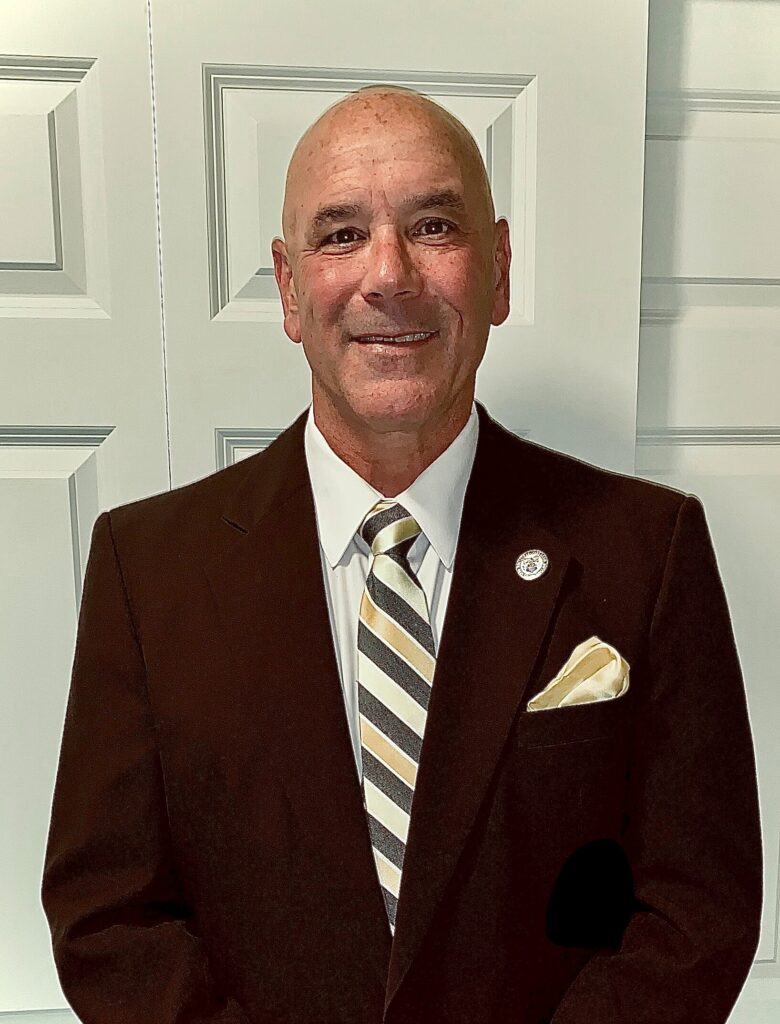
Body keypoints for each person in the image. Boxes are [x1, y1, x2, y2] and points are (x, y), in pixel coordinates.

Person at [41, 84, 762, 1024]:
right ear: (289, 288)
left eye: (433, 226)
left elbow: (697, 908)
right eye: (341, 235)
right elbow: (108, 918)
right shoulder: (147, 570)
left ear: (498, 271)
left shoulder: (647, 552)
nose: (389, 275)